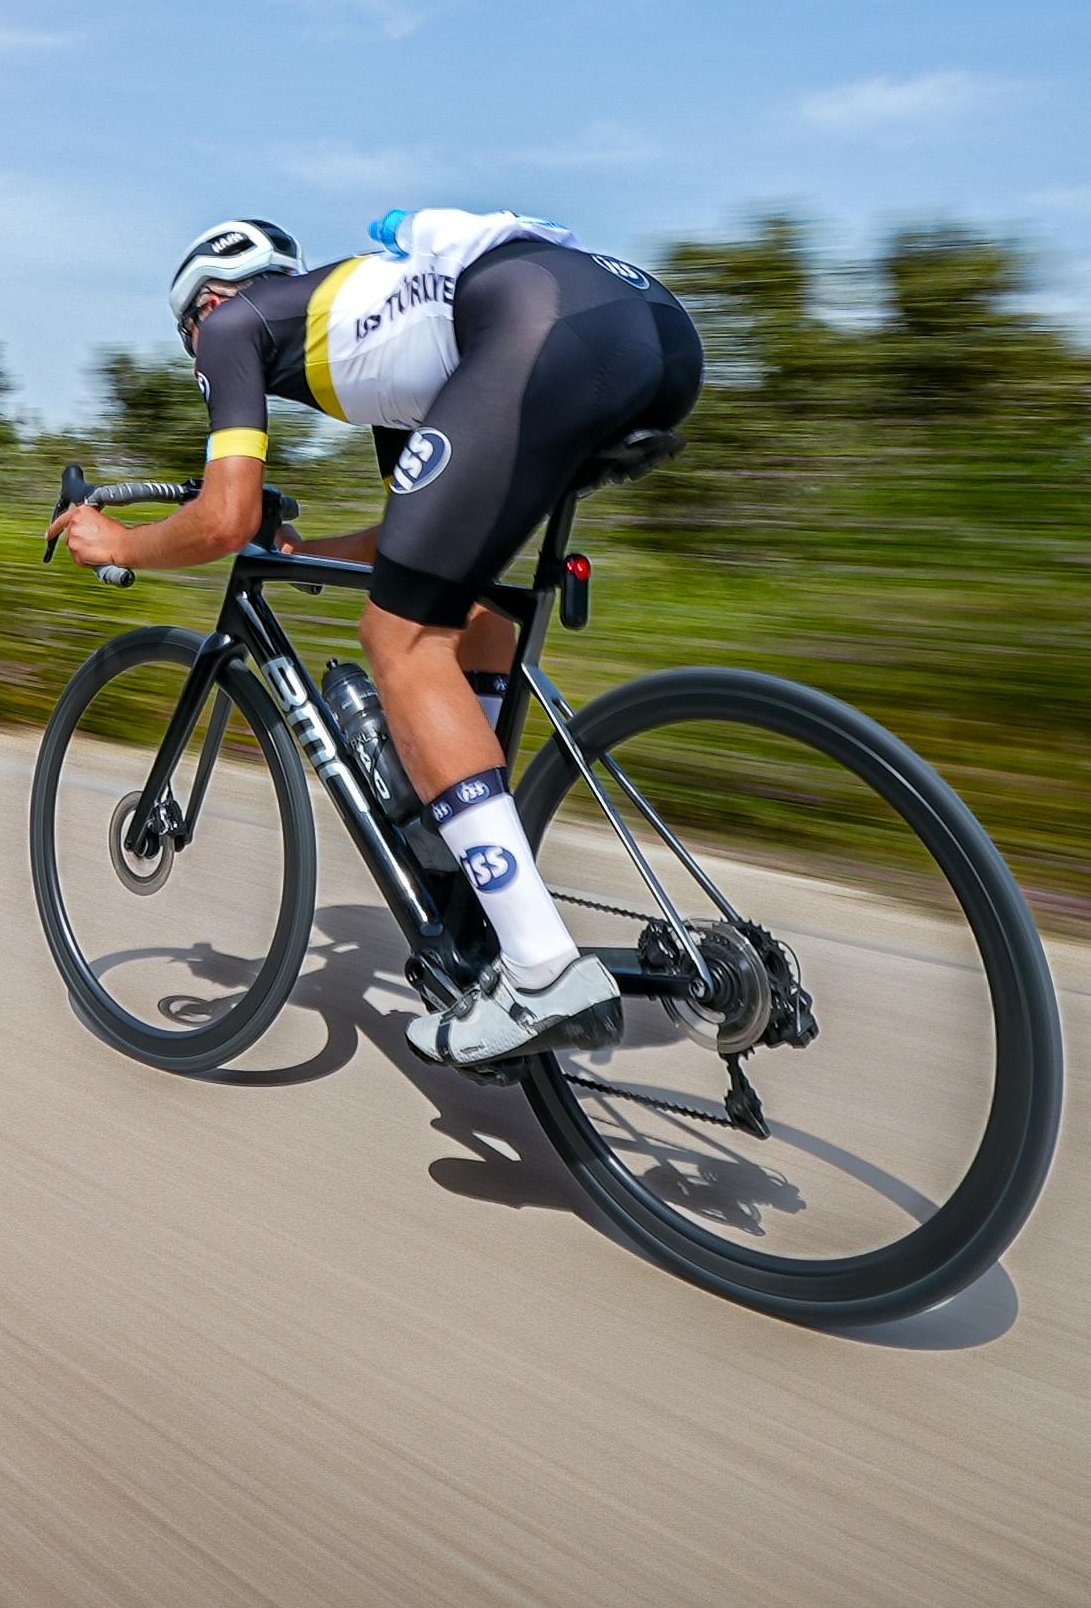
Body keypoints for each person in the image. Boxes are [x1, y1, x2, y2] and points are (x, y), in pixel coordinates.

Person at [47, 209, 706, 1068]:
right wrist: (306, 553)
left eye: (188, 339)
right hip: (648, 328)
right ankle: (473, 860)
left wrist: (117, 542)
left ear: (207, 298)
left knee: (397, 638)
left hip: (542, 322)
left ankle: (542, 972)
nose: (201, 354)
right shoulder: (387, 331)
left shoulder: (232, 324)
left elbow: (224, 514)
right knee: (460, 607)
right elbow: (413, 530)